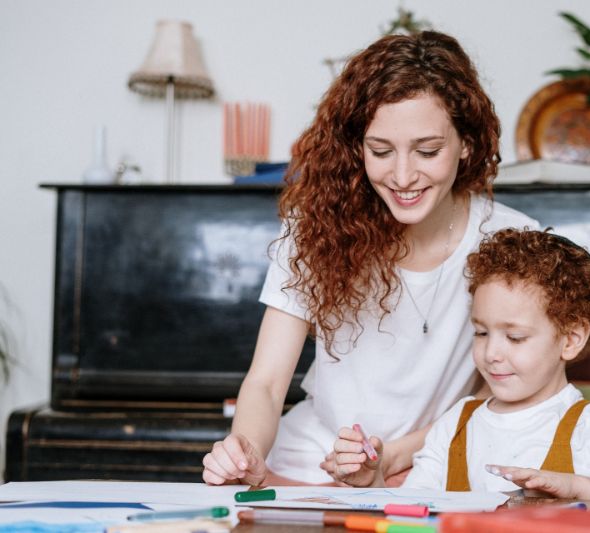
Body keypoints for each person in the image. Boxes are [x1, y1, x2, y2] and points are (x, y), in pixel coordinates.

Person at [202, 31, 537, 486]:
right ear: (356, 149)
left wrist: (398, 457)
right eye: (380, 151)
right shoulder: (313, 229)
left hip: (437, 459)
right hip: (310, 458)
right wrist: (246, 454)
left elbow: (498, 395)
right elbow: (265, 382)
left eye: (428, 150)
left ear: (468, 145)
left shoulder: (514, 242)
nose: (402, 176)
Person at [330, 229, 590, 500]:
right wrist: (373, 485)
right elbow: (413, 513)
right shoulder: (456, 425)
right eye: (481, 333)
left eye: (515, 337)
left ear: (571, 339)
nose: (491, 353)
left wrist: (576, 487)